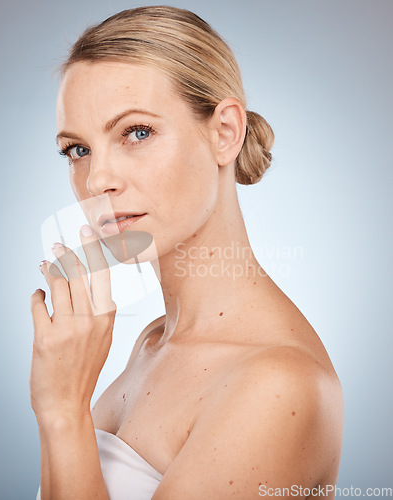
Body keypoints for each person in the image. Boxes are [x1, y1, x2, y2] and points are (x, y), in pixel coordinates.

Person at [30, 5, 344, 499]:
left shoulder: (278, 383)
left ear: (224, 133)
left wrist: (63, 410)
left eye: (136, 133)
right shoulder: (154, 342)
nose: (98, 180)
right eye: (78, 149)